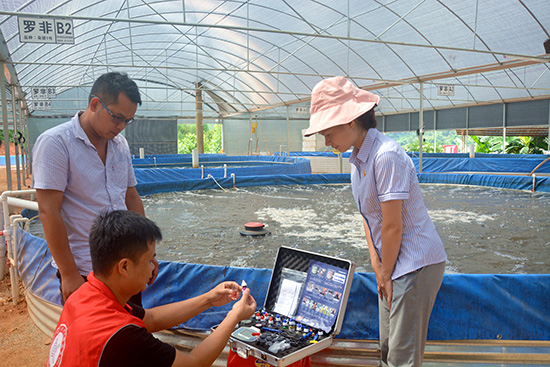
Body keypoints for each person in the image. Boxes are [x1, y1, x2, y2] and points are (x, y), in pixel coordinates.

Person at [304, 76, 447, 367]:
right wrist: (377, 266)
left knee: (401, 356)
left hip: (415, 263)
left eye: (327, 132)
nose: (326, 140)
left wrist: (386, 272)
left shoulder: (386, 156)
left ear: (350, 121)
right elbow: (369, 220)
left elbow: (394, 225)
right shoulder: (358, 160)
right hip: (390, 263)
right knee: (386, 347)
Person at [47, 210, 257, 367]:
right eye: (150, 259)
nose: (154, 267)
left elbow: (152, 319)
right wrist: (234, 316)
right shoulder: (122, 335)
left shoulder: (85, 294)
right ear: (125, 266)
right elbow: (194, 363)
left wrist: (209, 299)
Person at [32, 72, 151, 304]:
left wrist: (146, 254)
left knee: (131, 330)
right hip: (86, 269)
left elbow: (131, 197)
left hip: (125, 266)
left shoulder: (120, 145)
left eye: (128, 120)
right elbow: (48, 211)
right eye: (117, 117)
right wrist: (68, 274)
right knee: (95, 338)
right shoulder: (56, 143)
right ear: (95, 104)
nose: (121, 126)